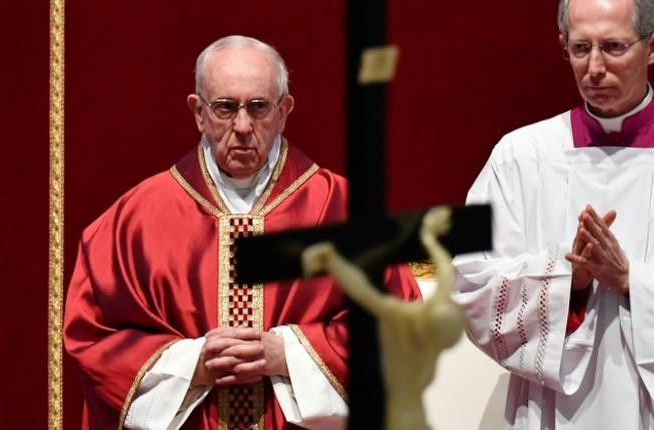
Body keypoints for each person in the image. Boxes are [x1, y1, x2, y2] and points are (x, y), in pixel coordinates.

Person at [63, 35, 421, 430]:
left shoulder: (343, 210)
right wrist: (193, 364)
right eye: (225, 108)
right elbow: (93, 338)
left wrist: (287, 353)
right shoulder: (133, 221)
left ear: (284, 111)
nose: (243, 126)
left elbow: (397, 325)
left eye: (259, 107)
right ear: (198, 112)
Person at [452, 0, 654, 428]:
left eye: (614, 46)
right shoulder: (519, 157)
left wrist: (631, 282)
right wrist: (569, 281)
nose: (595, 67)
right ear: (563, 45)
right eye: (580, 48)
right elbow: (470, 283)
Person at [301, 207, 466, 430]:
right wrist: (429, 239)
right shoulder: (429, 351)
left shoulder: (404, 319)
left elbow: (362, 291)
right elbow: (445, 276)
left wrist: (334, 264)